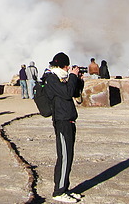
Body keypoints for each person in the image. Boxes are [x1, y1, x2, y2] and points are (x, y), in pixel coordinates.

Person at [43, 52, 84, 203]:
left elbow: (74, 93)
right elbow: (67, 93)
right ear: (63, 66)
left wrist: (78, 80)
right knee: (64, 157)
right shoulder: (52, 78)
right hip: (62, 121)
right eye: (67, 67)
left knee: (69, 156)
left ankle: (65, 188)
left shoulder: (62, 79)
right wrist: (72, 77)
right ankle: (59, 191)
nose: (68, 69)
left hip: (69, 120)